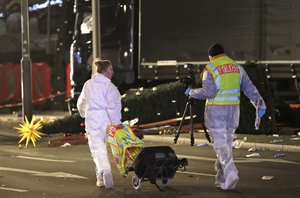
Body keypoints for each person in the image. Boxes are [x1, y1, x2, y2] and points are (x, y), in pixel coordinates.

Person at [185, 43, 266, 190]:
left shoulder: (210, 68)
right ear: (224, 53)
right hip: (233, 111)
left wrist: (191, 92)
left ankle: (230, 173)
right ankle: (221, 180)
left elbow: (208, 92)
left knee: (220, 145)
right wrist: (260, 105)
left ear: (211, 56)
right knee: (226, 145)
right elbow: (250, 89)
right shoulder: (237, 68)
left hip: (216, 111)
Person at [77, 58, 122, 188]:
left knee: (96, 148)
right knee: (104, 148)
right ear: (105, 71)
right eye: (110, 69)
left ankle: (103, 172)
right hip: (105, 120)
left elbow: (81, 103)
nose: (112, 72)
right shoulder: (110, 87)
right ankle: (102, 175)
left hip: (92, 119)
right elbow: (113, 107)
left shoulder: (88, 84)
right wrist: (116, 123)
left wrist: (84, 113)